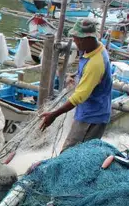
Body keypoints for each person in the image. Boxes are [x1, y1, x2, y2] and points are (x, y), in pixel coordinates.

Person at [40, 18, 112, 151]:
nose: (75, 42)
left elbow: (79, 97)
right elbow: (87, 73)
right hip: (87, 110)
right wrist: (75, 75)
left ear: (86, 39)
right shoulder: (93, 48)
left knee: (70, 153)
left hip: (92, 118)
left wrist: (54, 115)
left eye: (76, 39)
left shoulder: (96, 63)